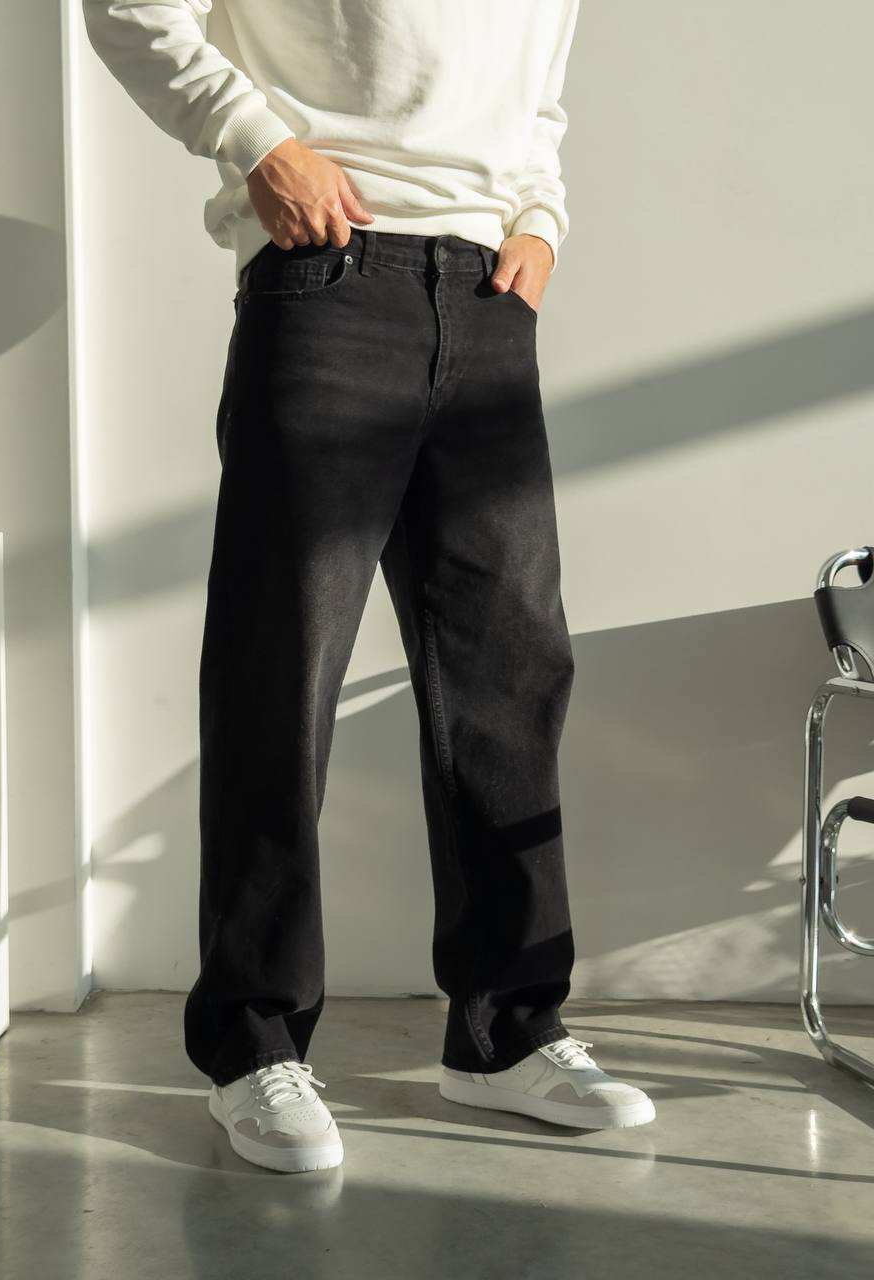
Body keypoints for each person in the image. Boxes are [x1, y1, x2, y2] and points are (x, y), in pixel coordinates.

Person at [83, 0, 656, 1175]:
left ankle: (504, 1032)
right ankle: (253, 1041)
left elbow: (534, 104)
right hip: (328, 279)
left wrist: (540, 220)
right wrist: (261, 144)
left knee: (511, 677)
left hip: (490, 302)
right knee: (282, 669)